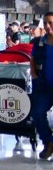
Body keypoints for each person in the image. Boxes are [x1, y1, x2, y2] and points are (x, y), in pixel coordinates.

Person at [30, 12, 53, 160]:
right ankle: (48, 142)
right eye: (45, 23)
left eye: (51, 22)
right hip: (44, 86)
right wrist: (34, 74)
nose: (48, 26)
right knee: (37, 113)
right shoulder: (39, 42)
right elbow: (32, 58)